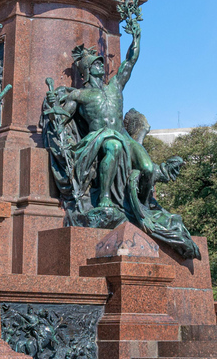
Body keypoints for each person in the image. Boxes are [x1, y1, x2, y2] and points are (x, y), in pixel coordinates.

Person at [42, 20, 200, 259]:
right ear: (86, 70)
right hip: (100, 138)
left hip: (124, 138)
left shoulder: (115, 86)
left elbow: (130, 61)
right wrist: (56, 109)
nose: (100, 66)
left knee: (147, 168)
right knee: (113, 146)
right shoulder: (81, 94)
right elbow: (63, 118)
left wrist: (136, 38)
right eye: (95, 64)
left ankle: (143, 206)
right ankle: (105, 198)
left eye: (99, 62)